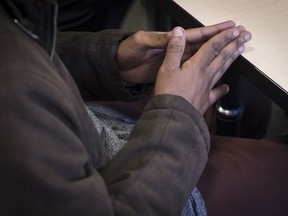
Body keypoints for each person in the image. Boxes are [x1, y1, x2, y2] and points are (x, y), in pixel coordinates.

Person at [1, 1, 287, 216]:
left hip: (78, 121)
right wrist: (177, 115)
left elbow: (27, 50)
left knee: (248, 98)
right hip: (115, 186)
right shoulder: (13, 98)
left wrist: (110, 61)